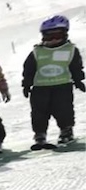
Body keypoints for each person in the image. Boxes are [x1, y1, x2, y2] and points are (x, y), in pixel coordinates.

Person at [22, 15, 84, 146]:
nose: (53, 40)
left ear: (65, 34)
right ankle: (40, 134)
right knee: (39, 113)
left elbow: (76, 67)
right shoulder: (38, 51)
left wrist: (78, 80)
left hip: (62, 86)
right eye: (49, 37)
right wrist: (26, 84)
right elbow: (29, 68)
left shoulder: (70, 50)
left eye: (57, 36)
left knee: (64, 110)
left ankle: (66, 131)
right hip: (41, 87)